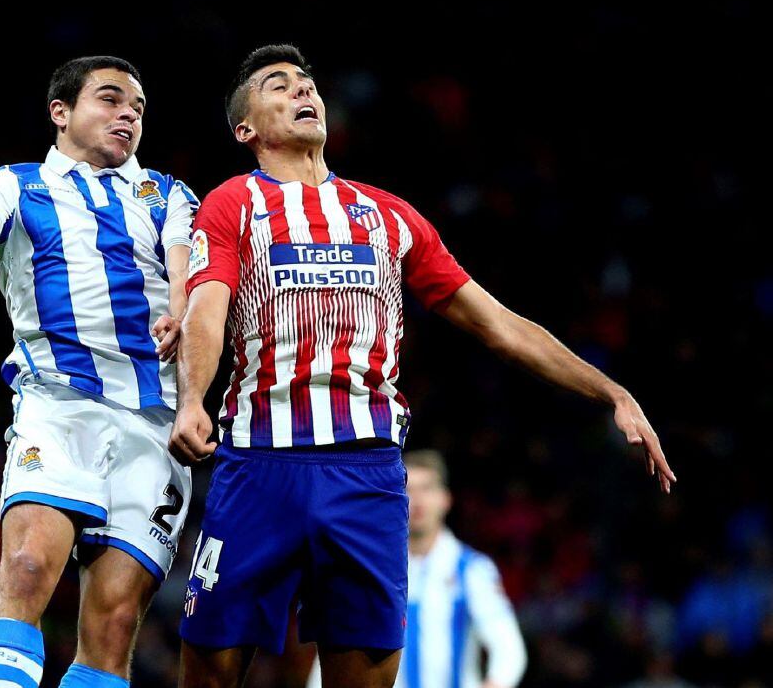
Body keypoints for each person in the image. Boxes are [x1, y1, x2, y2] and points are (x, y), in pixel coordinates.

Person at [169, 44, 675, 688]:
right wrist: (192, 402)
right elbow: (206, 310)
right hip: (258, 464)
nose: (303, 91)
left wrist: (611, 390)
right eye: (279, 85)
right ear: (246, 128)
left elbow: (498, 324)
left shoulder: (389, 215)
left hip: (367, 473)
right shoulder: (233, 202)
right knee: (207, 674)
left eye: (308, 82)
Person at [0, 56, 198, 688]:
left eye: (136, 108)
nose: (127, 114)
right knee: (28, 567)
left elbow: (187, 269)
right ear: (61, 112)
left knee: (112, 626)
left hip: (155, 422)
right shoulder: (15, 183)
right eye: (110, 100)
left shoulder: (166, 193)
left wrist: (183, 309)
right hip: (59, 404)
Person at [306, 450, 527, 688]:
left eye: (427, 488)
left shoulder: (471, 570)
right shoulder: (368, 571)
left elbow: (508, 649)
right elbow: (337, 655)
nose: (418, 499)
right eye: (409, 489)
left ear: (446, 499)